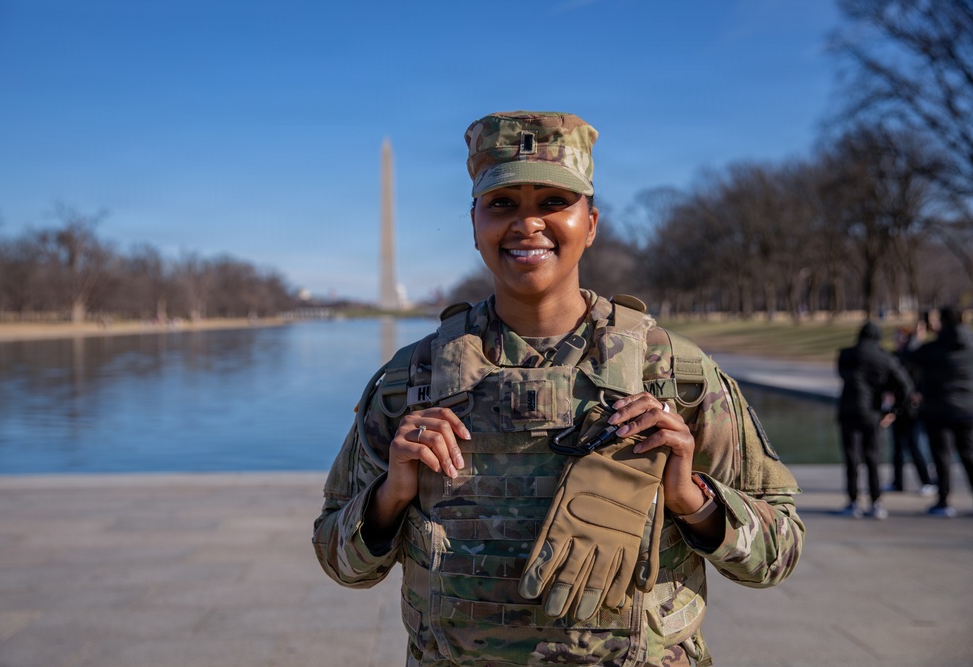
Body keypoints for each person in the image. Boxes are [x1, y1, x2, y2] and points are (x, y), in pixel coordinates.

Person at [313, 111, 804, 667]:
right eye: (502, 204)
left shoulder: (677, 374)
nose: (528, 224)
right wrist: (390, 497)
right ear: (474, 224)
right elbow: (339, 561)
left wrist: (691, 499)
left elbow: (777, 555)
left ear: (590, 223)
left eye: (553, 202)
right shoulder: (412, 381)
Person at [836, 322, 914, 519]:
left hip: (848, 411)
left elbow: (844, 375)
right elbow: (905, 386)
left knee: (852, 458)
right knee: (872, 458)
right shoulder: (884, 358)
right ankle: (875, 501)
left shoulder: (846, 354)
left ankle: (853, 501)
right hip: (872, 413)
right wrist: (894, 409)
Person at [912, 306, 973, 517]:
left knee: (942, 457)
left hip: (939, 411)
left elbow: (911, 357)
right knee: (968, 456)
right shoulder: (970, 345)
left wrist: (919, 336)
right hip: (967, 409)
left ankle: (944, 500)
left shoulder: (934, 348)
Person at [886, 325, 935, 496]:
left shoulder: (913, 356)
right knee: (897, 447)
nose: (895, 339)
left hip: (912, 408)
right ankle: (897, 482)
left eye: (898, 336)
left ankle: (926, 481)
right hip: (897, 408)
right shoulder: (894, 356)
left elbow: (921, 378)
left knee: (914, 445)